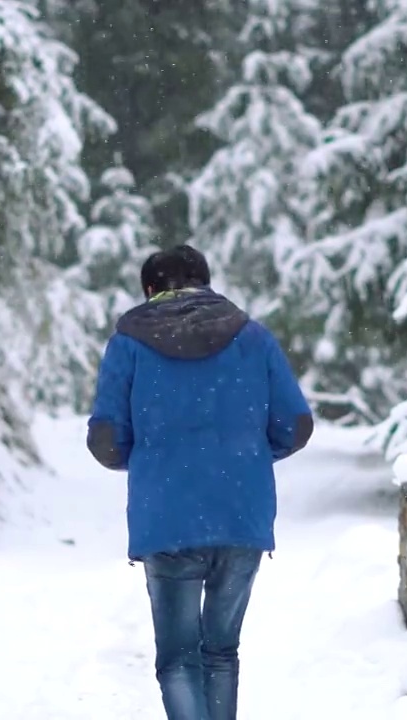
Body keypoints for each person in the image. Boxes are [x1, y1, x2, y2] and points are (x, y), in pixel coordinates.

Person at [86, 244, 313, 720]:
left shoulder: (129, 342)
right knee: (221, 653)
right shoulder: (253, 336)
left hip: (166, 519)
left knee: (177, 660)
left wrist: (154, 456)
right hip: (241, 515)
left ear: (150, 290)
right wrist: (245, 454)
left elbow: (106, 440)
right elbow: (295, 425)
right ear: (206, 283)